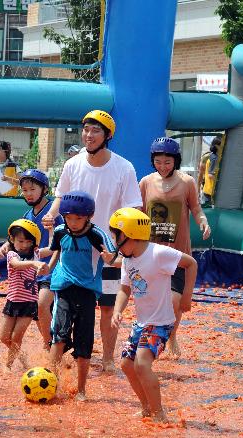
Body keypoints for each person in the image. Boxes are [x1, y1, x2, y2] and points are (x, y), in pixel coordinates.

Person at [42, 110, 142, 373]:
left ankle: (108, 359)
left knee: (107, 309)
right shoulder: (72, 164)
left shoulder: (124, 168)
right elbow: (60, 197)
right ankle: (63, 355)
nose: (89, 135)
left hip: (108, 251)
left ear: (108, 135)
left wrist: (124, 248)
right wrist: (52, 215)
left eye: (95, 130)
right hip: (74, 251)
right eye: (86, 129)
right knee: (66, 306)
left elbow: (133, 208)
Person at [109, 208, 197, 422]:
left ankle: (160, 414)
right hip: (142, 323)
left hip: (160, 323)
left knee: (141, 364)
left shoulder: (158, 253)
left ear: (130, 235)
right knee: (126, 365)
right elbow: (124, 289)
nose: (114, 243)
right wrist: (117, 310)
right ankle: (146, 406)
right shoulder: (128, 260)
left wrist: (186, 296)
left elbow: (191, 263)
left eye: (116, 237)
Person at [140, 137, 210, 359]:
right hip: (152, 251)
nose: (163, 166)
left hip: (178, 251)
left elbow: (196, 209)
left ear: (176, 161)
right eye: (158, 162)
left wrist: (203, 221)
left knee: (175, 300)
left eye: (167, 162)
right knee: (153, 299)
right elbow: (139, 214)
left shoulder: (187, 182)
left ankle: (171, 336)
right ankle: (151, 338)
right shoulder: (146, 183)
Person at [46, 191, 116, 400]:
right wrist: (47, 267)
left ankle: (82, 390)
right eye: (69, 218)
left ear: (89, 217)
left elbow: (112, 255)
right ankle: (52, 384)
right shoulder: (60, 231)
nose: (73, 222)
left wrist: (109, 258)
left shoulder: (97, 234)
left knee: (84, 344)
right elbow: (56, 251)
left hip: (87, 292)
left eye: (78, 218)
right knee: (58, 337)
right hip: (64, 288)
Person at [0, 168, 60, 350]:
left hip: (52, 271)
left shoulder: (53, 214)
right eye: (25, 190)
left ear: (44, 189)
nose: (28, 194)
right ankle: (49, 345)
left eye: (32, 189)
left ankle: (51, 345)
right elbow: (15, 239)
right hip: (32, 275)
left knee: (41, 306)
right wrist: (5, 245)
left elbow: (60, 246)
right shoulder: (27, 216)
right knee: (39, 313)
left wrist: (52, 267)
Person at [0, 219, 48, 370]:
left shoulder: (36, 253)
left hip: (29, 303)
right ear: (12, 240)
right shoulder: (12, 254)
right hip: (12, 301)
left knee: (16, 337)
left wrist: (53, 232)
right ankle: (23, 358)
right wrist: (34, 264)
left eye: (28, 241)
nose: (25, 245)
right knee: (3, 337)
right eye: (20, 241)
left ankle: (8, 366)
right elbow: (16, 264)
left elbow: (53, 248)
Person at [196, 135, 222, 206]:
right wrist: (197, 189)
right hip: (210, 190)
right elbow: (204, 174)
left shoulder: (216, 157)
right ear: (217, 146)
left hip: (209, 190)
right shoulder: (213, 158)